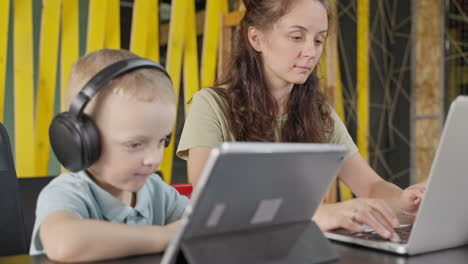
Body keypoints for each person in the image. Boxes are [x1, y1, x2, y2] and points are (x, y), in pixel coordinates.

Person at [177, 0, 425, 243]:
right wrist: (315, 216)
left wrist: (405, 201)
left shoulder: (318, 110)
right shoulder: (210, 105)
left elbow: (371, 187)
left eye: (318, 40)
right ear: (256, 39)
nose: (311, 52)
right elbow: (208, 208)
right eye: (297, 37)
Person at [30, 49, 189, 262]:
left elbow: (203, 224)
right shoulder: (68, 193)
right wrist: (165, 235)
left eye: (162, 140)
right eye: (134, 144)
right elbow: (63, 243)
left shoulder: (156, 191)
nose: (154, 159)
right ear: (81, 139)